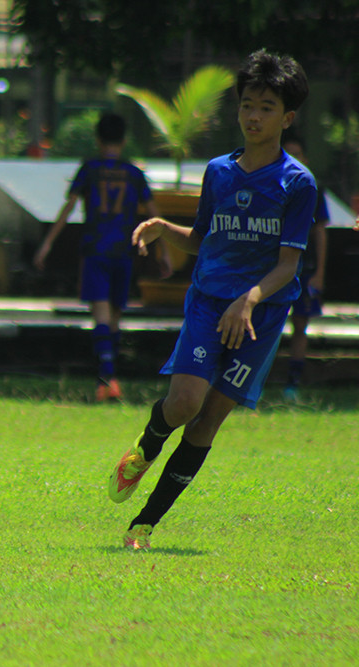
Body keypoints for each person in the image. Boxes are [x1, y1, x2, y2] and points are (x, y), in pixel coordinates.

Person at [108, 49, 315, 550]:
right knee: (183, 404)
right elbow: (203, 238)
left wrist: (248, 301)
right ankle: (148, 443)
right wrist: (163, 229)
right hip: (208, 302)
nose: (253, 115)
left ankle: (145, 524)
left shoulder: (296, 183)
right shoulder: (219, 171)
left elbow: (288, 264)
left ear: (286, 117)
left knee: (210, 418)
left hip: (259, 316)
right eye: (247, 104)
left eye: (266, 107)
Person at [33, 112, 168, 402]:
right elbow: (154, 214)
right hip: (124, 250)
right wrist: (165, 250)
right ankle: (110, 376)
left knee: (102, 317)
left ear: (98, 139)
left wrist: (47, 244)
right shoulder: (134, 173)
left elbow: (68, 207)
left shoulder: (90, 169)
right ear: (123, 140)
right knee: (115, 317)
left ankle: (106, 379)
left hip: (96, 250)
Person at [279, 135, 329, 402]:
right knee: (266, 325)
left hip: (304, 268)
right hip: (272, 268)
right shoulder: (271, 186)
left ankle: (292, 383)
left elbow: (320, 232)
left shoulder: (313, 189)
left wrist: (319, 272)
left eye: (298, 154)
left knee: (300, 326)